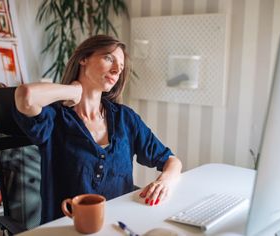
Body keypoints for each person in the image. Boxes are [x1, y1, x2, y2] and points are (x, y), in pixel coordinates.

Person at [13, 35, 182, 223]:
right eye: (109, 58)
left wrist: (164, 181)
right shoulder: (54, 117)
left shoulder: (125, 118)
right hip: (68, 229)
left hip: (119, 225)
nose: (117, 70)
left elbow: (172, 161)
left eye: (121, 67)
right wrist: (72, 91)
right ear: (83, 58)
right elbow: (26, 95)